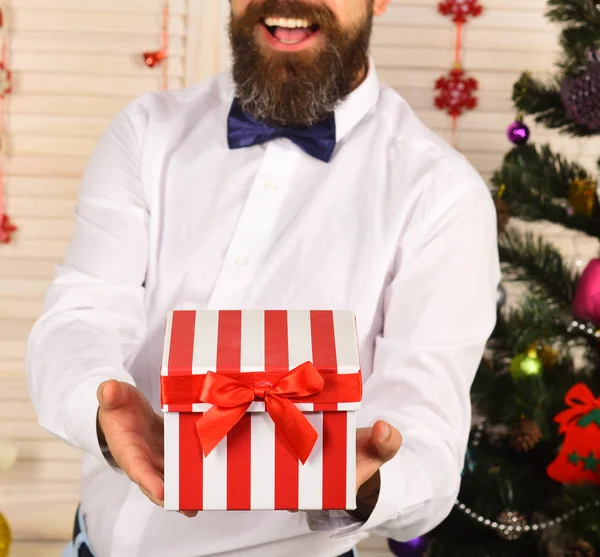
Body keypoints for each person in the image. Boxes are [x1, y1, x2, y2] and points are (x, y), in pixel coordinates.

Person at [25, 0, 500, 556]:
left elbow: (428, 442)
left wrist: (368, 482)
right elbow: (80, 316)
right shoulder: (144, 131)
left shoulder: (441, 194)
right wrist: (102, 408)